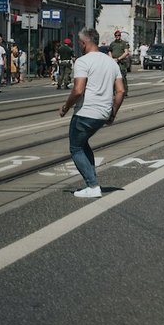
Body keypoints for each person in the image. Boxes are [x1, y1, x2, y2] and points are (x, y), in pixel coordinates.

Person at [58, 28, 125, 199]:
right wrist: (112, 114)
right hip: (102, 113)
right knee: (83, 143)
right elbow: (120, 91)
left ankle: (92, 185)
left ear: (84, 43)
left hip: (86, 112)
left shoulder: (82, 61)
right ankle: (92, 181)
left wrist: (65, 107)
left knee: (75, 147)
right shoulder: (111, 62)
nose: (79, 45)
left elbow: (78, 90)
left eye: (80, 43)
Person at [108, 30, 131, 96]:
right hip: (114, 62)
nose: (117, 36)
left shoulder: (123, 43)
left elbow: (126, 52)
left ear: (120, 36)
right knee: (113, 77)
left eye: (118, 35)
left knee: (122, 77)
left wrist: (118, 59)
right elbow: (109, 51)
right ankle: (113, 91)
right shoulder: (112, 43)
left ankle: (125, 91)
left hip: (121, 62)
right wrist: (111, 59)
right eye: (116, 35)